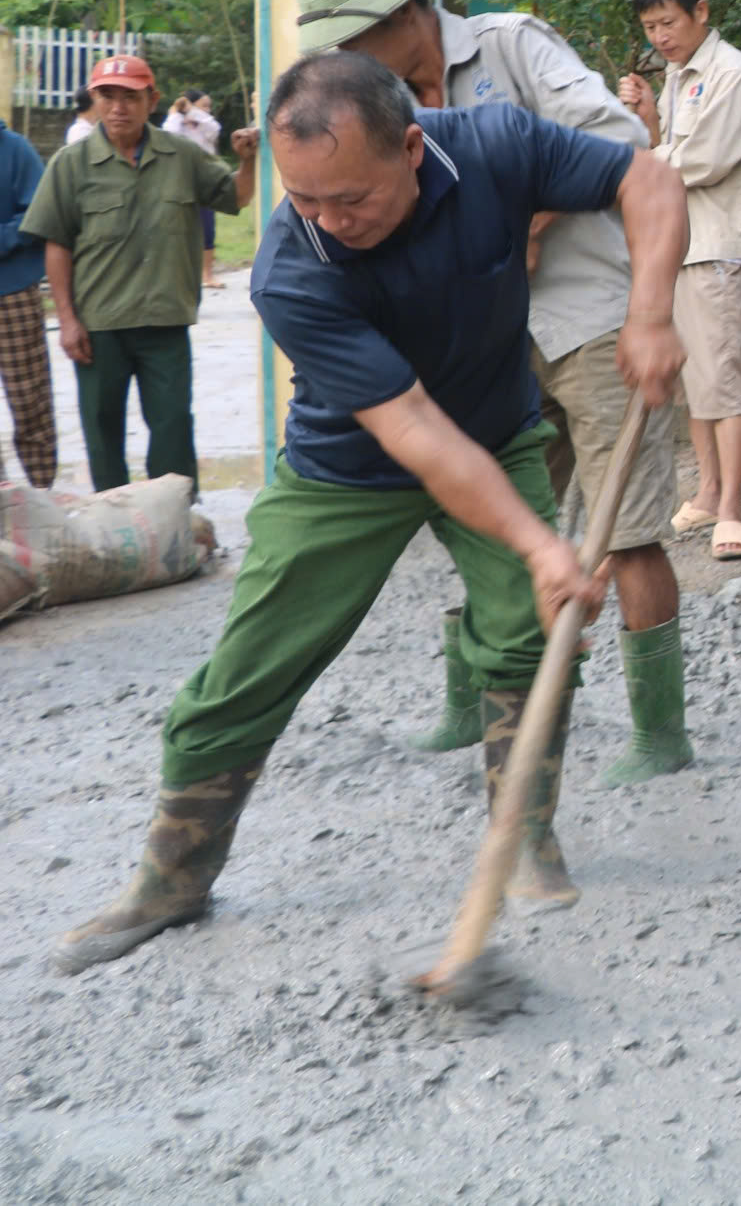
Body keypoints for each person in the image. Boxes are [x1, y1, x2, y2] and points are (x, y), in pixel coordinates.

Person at [48, 52, 689, 974]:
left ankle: (524, 837)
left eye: (350, 198)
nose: (329, 222)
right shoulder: (292, 271)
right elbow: (418, 432)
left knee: (523, 635)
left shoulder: (496, 146)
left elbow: (648, 177)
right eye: (305, 200)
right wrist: (539, 541)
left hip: (497, 426)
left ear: (414, 149)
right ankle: (174, 876)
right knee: (249, 664)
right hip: (349, 463)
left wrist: (651, 311)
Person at [295, 0, 693, 786]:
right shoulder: (372, 104)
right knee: (489, 517)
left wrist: (529, 216)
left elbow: (622, 144)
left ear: (406, 12)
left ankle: (658, 728)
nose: (343, 63)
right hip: (483, 339)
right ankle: (470, 701)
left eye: (352, 41)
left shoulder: (511, 44)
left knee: (626, 529)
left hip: (590, 318)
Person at [25, 54, 255, 493]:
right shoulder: (70, 164)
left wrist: (247, 162)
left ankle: (174, 523)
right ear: (94, 99)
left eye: (129, 97)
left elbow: (236, 197)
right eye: (107, 96)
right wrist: (68, 320)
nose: (118, 107)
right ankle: (115, 526)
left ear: (152, 100)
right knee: (101, 430)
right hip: (99, 326)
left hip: (165, 319)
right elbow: (56, 244)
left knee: (172, 426)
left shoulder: (182, 156)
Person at [618, 0, 741, 570]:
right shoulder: (682, 75)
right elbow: (670, 148)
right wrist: (648, 118)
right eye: (651, 26)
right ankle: (708, 492)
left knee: (720, 375)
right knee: (694, 379)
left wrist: (633, 158)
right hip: (680, 241)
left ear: (700, 13)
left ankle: (733, 504)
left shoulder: (731, 72)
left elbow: (698, 162)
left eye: (668, 22)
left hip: (717, 242)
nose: (660, 36)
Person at [0, 108, 55, 486]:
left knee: (29, 399)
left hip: (13, 290)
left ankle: (42, 491)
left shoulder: (15, 149)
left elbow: (38, 212)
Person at [165, 89, 226, 291]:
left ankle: (207, 275)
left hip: (204, 182)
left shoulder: (205, 123)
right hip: (180, 183)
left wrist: (194, 111)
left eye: (208, 106)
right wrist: (176, 113)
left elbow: (215, 129)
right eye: (203, 105)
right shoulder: (175, 123)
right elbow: (168, 136)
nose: (207, 110)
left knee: (208, 229)